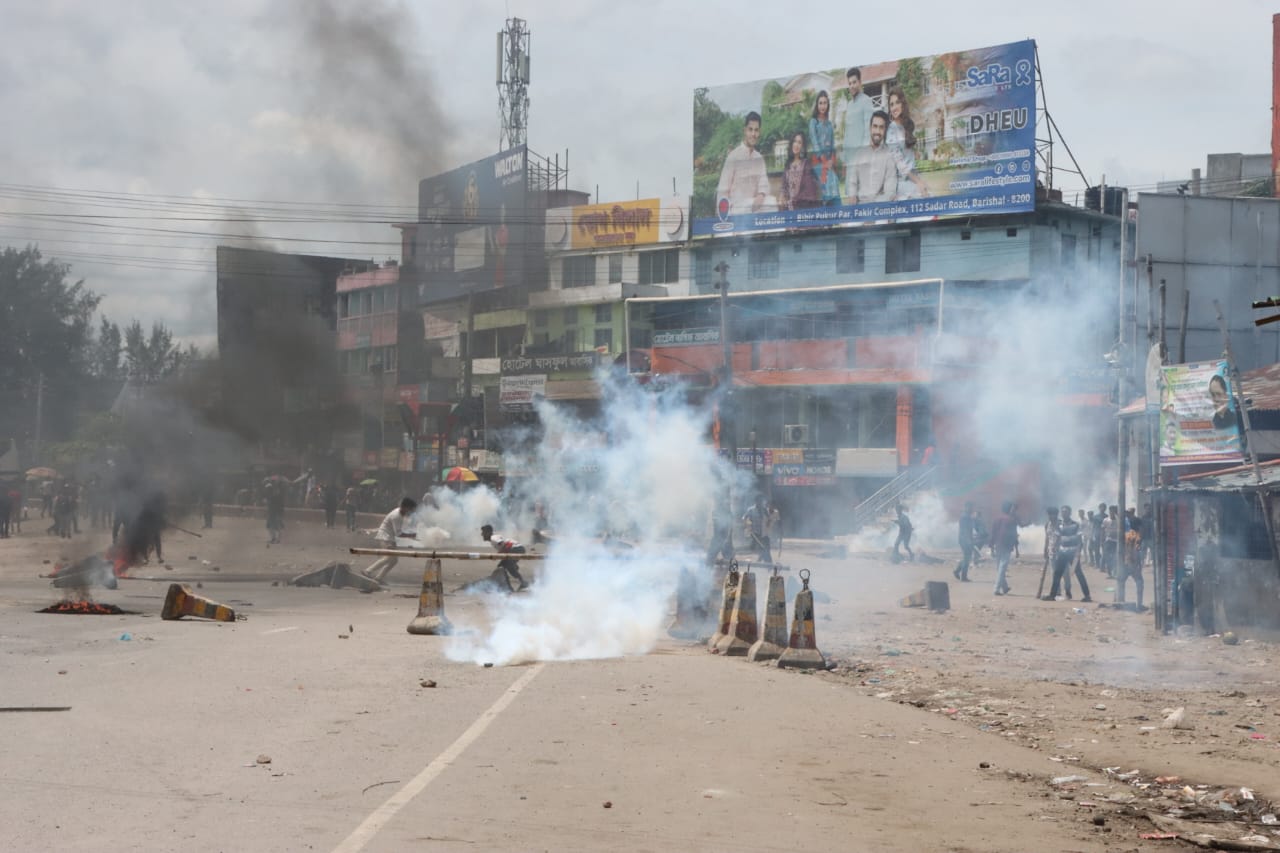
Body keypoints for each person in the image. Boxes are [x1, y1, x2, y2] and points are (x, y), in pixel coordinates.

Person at [715, 111, 776, 215]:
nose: (753, 134)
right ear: (745, 130)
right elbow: (722, 191)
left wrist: (761, 194)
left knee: (772, 202)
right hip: (736, 210)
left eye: (756, 130)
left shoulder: (759, 158)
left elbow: (764, 183)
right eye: (750, 129)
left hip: (754, 207)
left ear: (759, 132)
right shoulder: (733, 157)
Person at [884, 87, 930, 199]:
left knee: (929, 197)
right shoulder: (891, 129)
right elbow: (900, 164)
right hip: (902, 180)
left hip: (913, 175)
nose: (894, 107)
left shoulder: (907, 125)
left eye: (897, 103)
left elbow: (909, 156)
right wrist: (918, 182)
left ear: (903, 104)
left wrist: (919, 179)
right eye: (891, 104)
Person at [361, 497, 418, 585]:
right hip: (386, 537)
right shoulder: (397, 516)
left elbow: (398, 530)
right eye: (410, 509)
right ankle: (368, 571)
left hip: (389, 537)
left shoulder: (400, 513)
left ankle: (378, 578)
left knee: (393, 560)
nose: (410, 512)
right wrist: (410, 535)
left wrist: (410, 535)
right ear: (406, 507)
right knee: (389, 558)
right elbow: (398, 534)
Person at [1044, 505, 1091, 602]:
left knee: (1079, 573)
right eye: (1063, 512)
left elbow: (1079, 540)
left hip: (1073, 552)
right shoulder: (1059, 525)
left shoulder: (1076, 525)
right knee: (1057, 574)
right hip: (1062, 552)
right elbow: (1057, 538)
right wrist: (1054, 549)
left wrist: (1078, 553)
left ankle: (1087, 596)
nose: (1064, 513)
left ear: (1070, 513)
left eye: (1066, 512)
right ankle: (1052, 595)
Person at [847, 111, 896, 204]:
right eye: (875, 126)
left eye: (881, 127)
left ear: (885, 130)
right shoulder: (860, 154)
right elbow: (852, 182)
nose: (877, 131)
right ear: (870, 128)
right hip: (861, 207)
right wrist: (852, 199)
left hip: (881, 207)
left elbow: (890, 189)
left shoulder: (889, 155)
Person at [806, 91, 841, 206]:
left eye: (825, 103)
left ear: (828, 105)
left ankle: (838, 215)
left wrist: (831, 161)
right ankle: (827, 212)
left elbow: (832, 145)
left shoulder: (829, 124)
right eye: (820, 103)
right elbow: (815, 144)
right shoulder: (813, 122)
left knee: (834, 180)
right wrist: (825, 162)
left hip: (828, 164)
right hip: (817, 162)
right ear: (817, 105)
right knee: (828, 180)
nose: (822, 106)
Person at [839, 67, 874, 170]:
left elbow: (869, 131)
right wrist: (845, 155)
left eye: (854, 82)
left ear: (860, 82)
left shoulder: (866, 101)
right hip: (850, 156)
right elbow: (847, 132)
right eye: (849, 83)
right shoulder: (849, 105)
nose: (852, 86)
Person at [778, 133, 822, 211]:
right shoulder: (788, 165)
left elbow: (809, 189)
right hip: (789, 207)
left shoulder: (806, 164)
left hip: (802, 207)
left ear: (802, 146)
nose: (796, 145)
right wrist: (782, 196)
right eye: (795, 141)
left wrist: (794, 201)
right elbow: (784, 186)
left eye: (799, 142)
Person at [480, 523, 528, 591]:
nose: (482, 534)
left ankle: (508, 586)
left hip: (515, 548)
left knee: (503, 566)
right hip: (518, 548)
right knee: (506, 566)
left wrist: (497, 555)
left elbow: (508, 544)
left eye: (483, 532)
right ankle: (522, 582)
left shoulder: (493, 538)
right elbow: (505, 547)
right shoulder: (494, 538)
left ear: (488, 532)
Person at [989, 501, 1018, 596]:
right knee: (1002, 568)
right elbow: (1014, 536)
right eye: (1012, 508)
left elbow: (993, 534)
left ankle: (1004, 587)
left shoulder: (996, 519)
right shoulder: (1011, 520)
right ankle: (996, 589)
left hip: (998, 546)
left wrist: (992, 547)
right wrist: (1017, 549)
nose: (1013, 510)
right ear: (1009, 509)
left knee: (999, 567)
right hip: (1006, 546)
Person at [742, 495, 774, 564]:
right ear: (756, 501)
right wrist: (747, 525)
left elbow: (769, 518)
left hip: (764, 533)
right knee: (762, 548)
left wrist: (768, 523)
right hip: (755, 533)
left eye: (761, 501)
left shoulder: (764, 509)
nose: (760, 503)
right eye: (759, 501)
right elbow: (744, 517)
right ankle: (767, 563)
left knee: (766, 548)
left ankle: (767, 563)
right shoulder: (751, 510)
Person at [953, 502, 975, 582]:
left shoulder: (967, 516)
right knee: (967, 557)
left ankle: (957, 571)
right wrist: (969, 540)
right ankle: (963, 576)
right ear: (966, 507)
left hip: (965, 539)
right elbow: (965, 530)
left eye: (972, 507)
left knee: (967, 557)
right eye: (970, 507)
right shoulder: (965, 517)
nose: (972, 509)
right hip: (964, 540)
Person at [264, 479, 285, 545]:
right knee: (273, 526)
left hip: (275, 513)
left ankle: (276, 539)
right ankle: (275, 539)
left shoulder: (274, 496)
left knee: (275, 526)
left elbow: (276, 506)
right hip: (274, 513)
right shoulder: (273, 495)